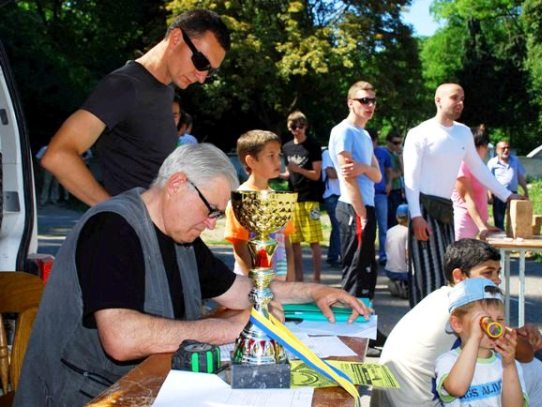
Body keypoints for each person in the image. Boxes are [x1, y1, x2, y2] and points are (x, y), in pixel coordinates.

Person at [15, 144, 370, 406]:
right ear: (177, 184)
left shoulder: (180, 232)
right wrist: (225, 329)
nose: (211, 223)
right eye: (210, 210)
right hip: (80, 397)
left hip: (144, 386)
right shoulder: (112, 228)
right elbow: (120, 338)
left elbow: (240, 291)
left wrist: (314, 292)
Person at [40, 9, 230, 206]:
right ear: (176, 38)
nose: (201, 77)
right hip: (129, 232)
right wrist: (120, 213)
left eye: (210, 72)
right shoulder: (125, 86)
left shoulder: (165, 91)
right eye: (202, 62)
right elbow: (58, 155)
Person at [375, 239, 542, 407]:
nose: (497, 280)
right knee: (534, 369)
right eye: (488, 273)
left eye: (498, 272)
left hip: (393, 397)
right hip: (422, 402)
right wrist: (520, 339)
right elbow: (525, 354)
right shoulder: (463, 310)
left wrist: (516, 333)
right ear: (459, 276)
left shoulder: (442, 298)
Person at [403, 83, 518, 307]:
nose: (460, 103)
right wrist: (416, 216)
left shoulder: (463, 132)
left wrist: (507, 195)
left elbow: (478, 168)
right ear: (438, 100)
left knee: (447, 273)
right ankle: (421, 331)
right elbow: (411, 179)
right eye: (455, 98)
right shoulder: (419, 133)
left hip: (447, 211)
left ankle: (444, 332)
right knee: (427, 276)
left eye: (462, 99)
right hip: (424, 209)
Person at [435, 278, 527, 406]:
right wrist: (475, 337)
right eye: (485, 321)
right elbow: (457, 388)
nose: (494, 327)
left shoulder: (508, 364)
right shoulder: (447, 361)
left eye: (499, 319)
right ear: (457, 324)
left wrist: (509, 366)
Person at [328, 81, 382, 299]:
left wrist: (364, 168)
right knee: (354, 269)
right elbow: (349, 178)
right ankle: (352, 326)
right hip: (353, 207)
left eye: (373, 101)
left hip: (366, 206)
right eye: (364, 100)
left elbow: (377, 175)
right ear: (350, 103)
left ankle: (365, 322)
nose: (369, 105)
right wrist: (360, 213)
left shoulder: (365, 134)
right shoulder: (343, 131)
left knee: (367, 269)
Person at [225, 130, 295, 281]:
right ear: (251, 161)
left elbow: (287, 244)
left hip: (280, 283)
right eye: (271, 156)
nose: (278, 162)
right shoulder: (240, 199)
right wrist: (258, 285)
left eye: (279, 155)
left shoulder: (280, 199)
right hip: (250, 286)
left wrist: (291, 282)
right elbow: (240, 249)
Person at [282, 111, 323, 282]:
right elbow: (288, 173)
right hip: (293, 198)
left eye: (300, 125)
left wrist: (298, 169)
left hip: (310, 199)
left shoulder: (313, 145)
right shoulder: (286, 147)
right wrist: (277, 174)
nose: (297, 129)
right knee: (294, 242)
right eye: (293, 126)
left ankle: (317, 278)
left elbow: (316, 174)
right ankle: (299, 279)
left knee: (314, 241)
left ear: (305, 126)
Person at [451, 125, 500, 240]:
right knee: (463, 257)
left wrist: (484, 224)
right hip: (465, 224)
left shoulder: (478, 166)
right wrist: (482, 226)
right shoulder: (463, 165)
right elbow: (468, 200)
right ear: (476, 146)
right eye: (485, 145)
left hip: (477, 223)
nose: (487, 149)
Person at [487, 140, 528, 230]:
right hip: (498, 195)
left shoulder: (515, 160)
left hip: (513, 194)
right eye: (503, 148)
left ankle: (512, 239)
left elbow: (520, 177)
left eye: (508, 148)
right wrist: (489, 195)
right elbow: (488, 180)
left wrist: (526, 191)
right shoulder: (492, 163)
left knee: (514, 218)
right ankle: (500, 239)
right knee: (499, 219)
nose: (506, 150)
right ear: (497, 150)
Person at [370, 128, 392, 264]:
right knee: (368, 226)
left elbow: (389, 170)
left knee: (383, 226)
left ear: (375, 141)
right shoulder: (362, 152)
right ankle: (369, 254)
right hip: (367, 194)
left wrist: (389, 183)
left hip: (380, 193)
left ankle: (383, 254)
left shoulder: (383, 153)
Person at [322, 147, 342, 267]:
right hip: (331, 195)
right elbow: (331, 173)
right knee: (337, 226)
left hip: (342, 195)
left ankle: (334, 255)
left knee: (339, 227)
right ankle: (335, 256)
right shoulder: (327, 153)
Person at [384, 204, 409, 299]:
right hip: (403, 272)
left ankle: (396, 284)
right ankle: (404, 286)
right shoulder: (408, 232)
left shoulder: (390, 231)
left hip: (389, 270)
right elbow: (408, 254)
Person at [385, 132, 405, 227]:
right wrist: (398, 173)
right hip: (388, 190)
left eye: (400, 143)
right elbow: (390, 173)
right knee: (389, 218)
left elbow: (404, 172)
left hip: (398, 189)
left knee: (397, 218)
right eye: (395, 143)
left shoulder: (397, 154)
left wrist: (400, 156)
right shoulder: (384, 153)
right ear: (388, 142)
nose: (398, 145)